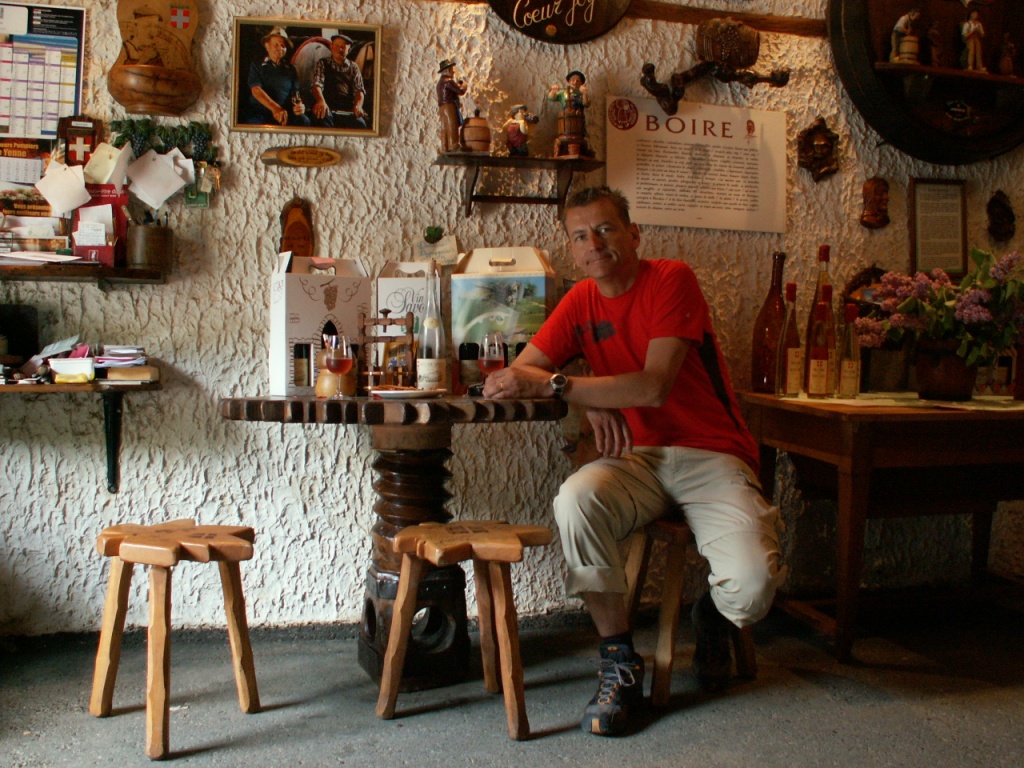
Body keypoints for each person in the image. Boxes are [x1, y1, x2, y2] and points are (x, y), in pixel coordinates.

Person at [482, 186, 783, 736]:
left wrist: (566, 386)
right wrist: (581, 397)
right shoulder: (579, 301)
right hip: (635, 458)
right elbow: (518, 374)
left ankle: (713, 614)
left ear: (633, 234)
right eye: (580, 236)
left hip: (711, 453)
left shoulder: (672, 279)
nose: (594, 244)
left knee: (753, 588)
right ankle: (619, 659)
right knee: (576, 498)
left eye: (605, 229)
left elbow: (652, 386)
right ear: (571, 250)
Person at [244, 27, 309, 127]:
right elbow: (256, 90)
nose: (280, 48)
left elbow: (296, 94)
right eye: (276, 44)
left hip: (285, 112)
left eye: (283, 45)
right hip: (260, 112)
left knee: (304, 121)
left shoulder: (291, 69)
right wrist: (275, 108)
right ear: (267, 46)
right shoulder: (257, 65)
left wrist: (300, 106)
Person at [312, 34, 367, 130]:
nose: (340, 49)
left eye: (343, 47)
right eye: (337, 45)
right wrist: (321, 101)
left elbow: (359, 90)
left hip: (348, 109)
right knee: (323, 121)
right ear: (331, 47)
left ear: (349, 50)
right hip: (327, 107)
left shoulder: (354, 67)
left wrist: (358, 106)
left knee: (360, 124)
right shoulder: (322, 63)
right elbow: (317, 85)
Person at [437, 58, 468, 153]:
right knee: (452, 124)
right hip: (449, 105)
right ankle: (453, 145)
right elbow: (460, 91)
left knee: (444, 126)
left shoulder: (440, 82)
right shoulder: (448, 81)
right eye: (451, 69)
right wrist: (464, 85)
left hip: (442, 107)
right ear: (447, 70)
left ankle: (445, 146)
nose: (453, 72)